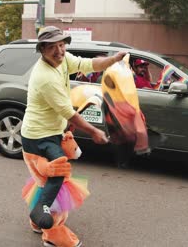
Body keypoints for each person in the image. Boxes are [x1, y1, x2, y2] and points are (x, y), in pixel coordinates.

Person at [21, 25, 126, 247]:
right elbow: (69, 112)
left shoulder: (63, 59)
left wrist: (113, 60)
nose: (59, 51)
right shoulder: (45, 77)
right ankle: (52, 234)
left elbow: (88, 64)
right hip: (38, 138)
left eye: (61, 45)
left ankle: (38, 220)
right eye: (52, 47)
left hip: (51, 131)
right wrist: (95, 131)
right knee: (59, 174)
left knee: (45, 181)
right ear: (42, 50)